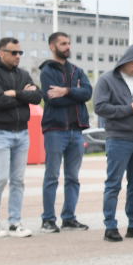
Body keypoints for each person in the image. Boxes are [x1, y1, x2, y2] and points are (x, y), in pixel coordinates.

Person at [0, 36, 42, 238]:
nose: (18, 56)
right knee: (0, 178)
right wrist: (22, 95)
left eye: (20, 53)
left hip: (21, 133)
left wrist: (14, 94)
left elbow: (36, 97)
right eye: (14, 52)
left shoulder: (23, 74)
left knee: (18, 180)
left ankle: (15, 222)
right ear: (1, 53)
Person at [92, 43, 133, 242]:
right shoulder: (107, 80)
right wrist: (128, 109)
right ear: (125, 62)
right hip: (118, 138)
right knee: (113, 183)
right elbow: (100, 107)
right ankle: (110, 225)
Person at [38, 31, 92, 233]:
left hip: (76, 131)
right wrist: (74, 94)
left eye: (69, 43)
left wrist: (67, 90)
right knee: (51, 176)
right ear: (52, 46)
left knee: (73, 178)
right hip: (55, 130)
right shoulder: (47, 71)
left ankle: (69, 218)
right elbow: (53, 98)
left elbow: (87, 93)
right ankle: (48, 220)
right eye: (63, 43)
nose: (67, 46)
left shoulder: (77, 70)